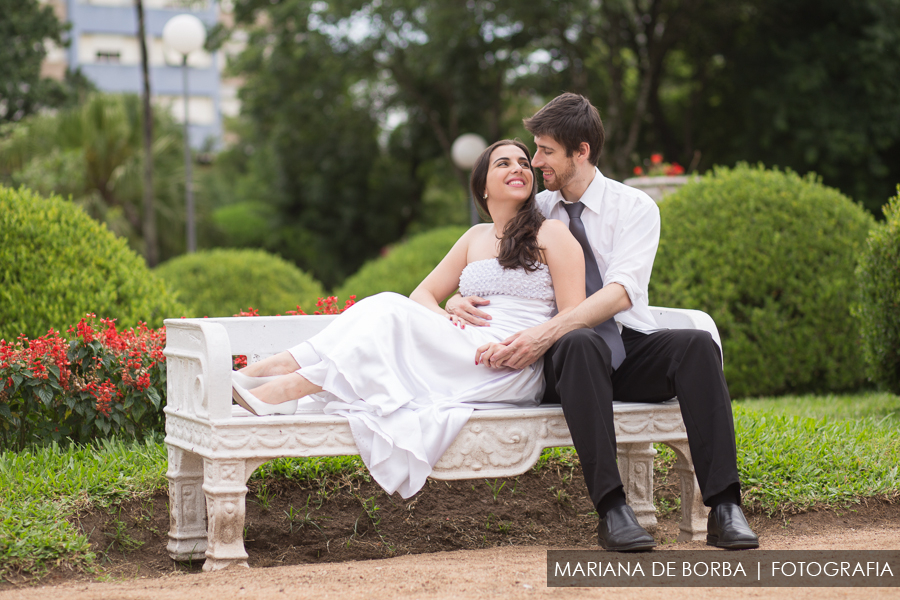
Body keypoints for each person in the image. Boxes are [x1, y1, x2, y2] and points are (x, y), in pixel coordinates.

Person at [448, 93, 759, 552]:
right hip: (563, 361)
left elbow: (621, 293)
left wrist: (544, 332)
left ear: (582, 151)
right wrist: (456, 298)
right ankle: (613, 510)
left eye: (546, 151)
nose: (535, 163)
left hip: (625, 345)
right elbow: (493, 258)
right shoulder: (536, 211)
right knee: (579, 343)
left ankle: (726, 507)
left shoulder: (634, 208)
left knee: (696, 346)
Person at [230, 140, 585, 500]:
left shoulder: (552, 233)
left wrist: (526, 341)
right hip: (458, 346)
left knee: (387, 308)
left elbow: (575, 312)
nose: (519, 169)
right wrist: (448, 314)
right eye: (504, 163)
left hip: (506, 361)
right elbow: (422, 296)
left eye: (524, 163)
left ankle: (279, 385)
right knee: (385, 303)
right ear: (482, 186)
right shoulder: (474, 237)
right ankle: (274, 372)